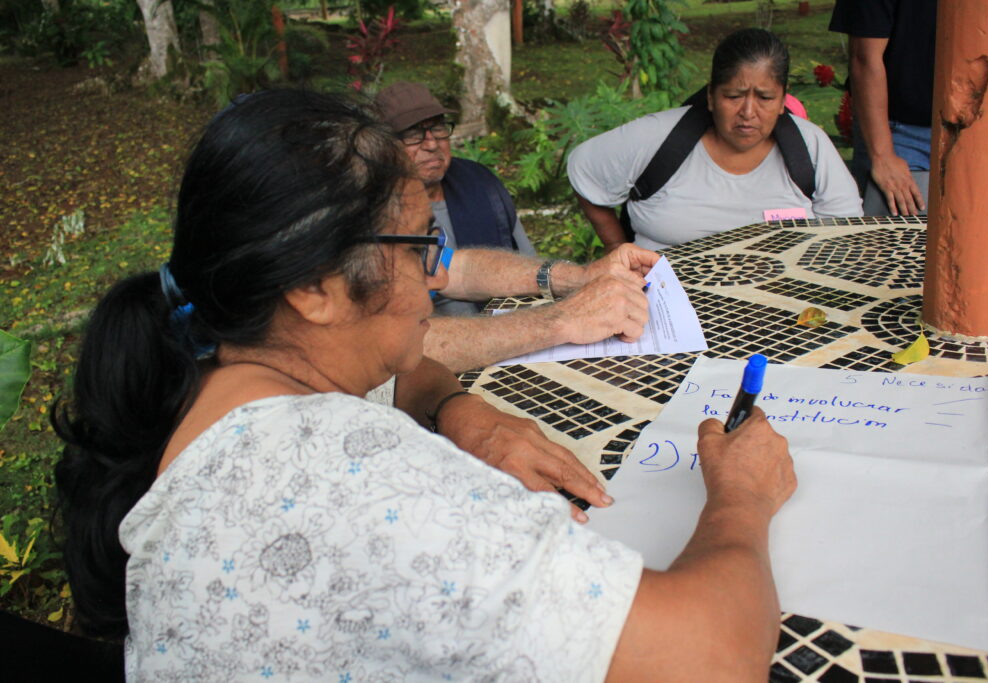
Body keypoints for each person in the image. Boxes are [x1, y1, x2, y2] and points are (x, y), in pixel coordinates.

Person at [54, 89, 796, 681]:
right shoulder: (366, 477)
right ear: (315, 286)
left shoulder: (215, 389)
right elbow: (711, 656)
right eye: (419, 248)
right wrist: (743, 495)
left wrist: (460, 410)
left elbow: (409, 377)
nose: (436, 277)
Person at [375, 81, 660, 373]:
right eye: (412, 134)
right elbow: (399, 342)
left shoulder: (478, 184)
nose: (432, 143)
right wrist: (562, 320)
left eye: (437, 128)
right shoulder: (365, 216)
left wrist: (580, 276)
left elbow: (460, 268)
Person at [568, 28, 863, 252]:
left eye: (765, 98)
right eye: (733, 96)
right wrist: (619, 255)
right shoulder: (659, 138)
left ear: (783, 100)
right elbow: (584, 168)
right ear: (710, 96)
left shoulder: (809, 148)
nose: (748, 112)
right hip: (663, 309)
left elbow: (845, 235)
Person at [829, 0, 936, 216]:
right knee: (897, 243)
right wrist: (883, 155)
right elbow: (864, 58)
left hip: (981, 128)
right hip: (899, 135)